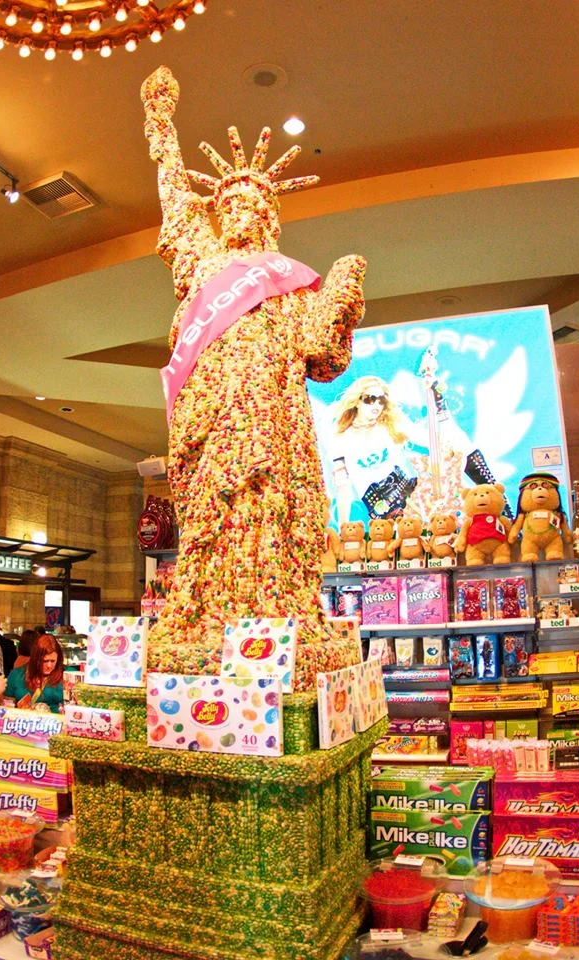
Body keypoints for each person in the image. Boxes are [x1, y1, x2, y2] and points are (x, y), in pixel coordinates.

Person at [140, 66, 366, 674]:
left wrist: (341, 295)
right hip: (210, 413)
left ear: (269, 216)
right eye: (230, 204)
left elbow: (323, 356)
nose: (239, 211)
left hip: (274, 420)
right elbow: (174, 197)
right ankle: (201, 610)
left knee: (271, 505)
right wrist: (161, 125)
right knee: (210, 507)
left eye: (252, 204)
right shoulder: (203, 263)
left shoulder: (288, 282)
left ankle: (274, 609)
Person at [330, 375, 427, 525]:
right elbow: (343, 487)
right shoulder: (341, 438)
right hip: (381, 513)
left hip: (409, 495)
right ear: (357, 401)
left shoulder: (391, 424)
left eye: (381, 400)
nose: (376, 405)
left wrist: (447, 446)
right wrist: (343, 526)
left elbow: (424, 438)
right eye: (370, 399)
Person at [5, 634, 64, 713]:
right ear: (35, 659)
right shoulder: (16, 675)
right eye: (45, 661)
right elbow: (7, 704)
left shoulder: (67, 676)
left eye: (53, 661)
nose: (49, 665)